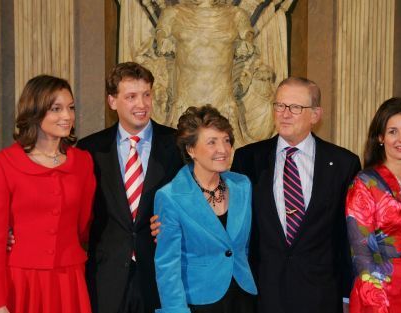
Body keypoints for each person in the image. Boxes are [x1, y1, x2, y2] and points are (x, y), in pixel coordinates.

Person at [231, 77, 361, 313]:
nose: (284, 114)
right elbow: (231, 221)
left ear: (315, 115)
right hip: (262, 295)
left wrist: (346, 294)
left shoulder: (344, 163)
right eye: (279, 105)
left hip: (321, 295)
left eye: (295, 107)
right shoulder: (248, 159)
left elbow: (346, 237)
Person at [77, 62, 183, 313]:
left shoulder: (177, 145)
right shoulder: (90, 150)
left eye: (146, 94)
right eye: (131, 96)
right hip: (107, 277)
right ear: (112, 101)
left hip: (160, 275)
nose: (142, 104)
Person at [0, 75, 96, 313]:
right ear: (34, 112)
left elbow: (84, 225)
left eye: (70, 108)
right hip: (20, 283)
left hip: (69, 281)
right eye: (56, 109)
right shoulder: (2, 164)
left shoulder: (83, 162)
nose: (67, 116)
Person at [154, 105, 257, 313]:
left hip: (243, 298)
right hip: (199, 302)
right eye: (212, 142)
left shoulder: (242, 185)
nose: (223, 149)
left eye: (226, 140)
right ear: (191, 150)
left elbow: (243, 248)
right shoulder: (170, 196)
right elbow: (168, 266)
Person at [345, 98, 401, 313]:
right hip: (379, 294)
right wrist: (378, 304)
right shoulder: (365, 183)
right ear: (381, 137)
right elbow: (361, 254)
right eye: (393, 131)